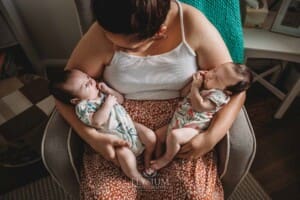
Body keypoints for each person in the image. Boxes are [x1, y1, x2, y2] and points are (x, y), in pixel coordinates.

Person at [55, 0, 246, 199]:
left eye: (124, 48)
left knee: (195, 194)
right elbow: (63, 94)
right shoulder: (106, 28)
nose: (110, 45)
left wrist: (211, 137)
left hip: (180, 123)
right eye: (107, 37)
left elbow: (236, 90)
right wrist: (93, 138)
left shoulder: (192, 24)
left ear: (159, 33)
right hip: (118, 126)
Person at [48, 69, 157, 188]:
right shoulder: (83, 106)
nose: (91, 81)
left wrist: (109, 91)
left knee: (150, 136)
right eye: (86, 85)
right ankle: (136, 177)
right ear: (76, 100)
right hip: (118, 140)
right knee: (125, 155)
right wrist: (108, 104)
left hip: (130, 127)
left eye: (87, 77)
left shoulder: (101, 92)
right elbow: (97, 122)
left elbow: (120, 100)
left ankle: (148, 159)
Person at [150, 63, 253, 170]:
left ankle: (166, 159)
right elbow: (183, 93)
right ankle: (158, 157)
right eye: (214, 70)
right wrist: (193, 82)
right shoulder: (203, 85)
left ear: (227, 91)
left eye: (217, 79)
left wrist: (195, 87)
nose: (210, 75)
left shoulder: (219, 96)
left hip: (192, 128)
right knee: (158, 135)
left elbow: (199, 106)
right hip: (178, 121)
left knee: (174, 136)